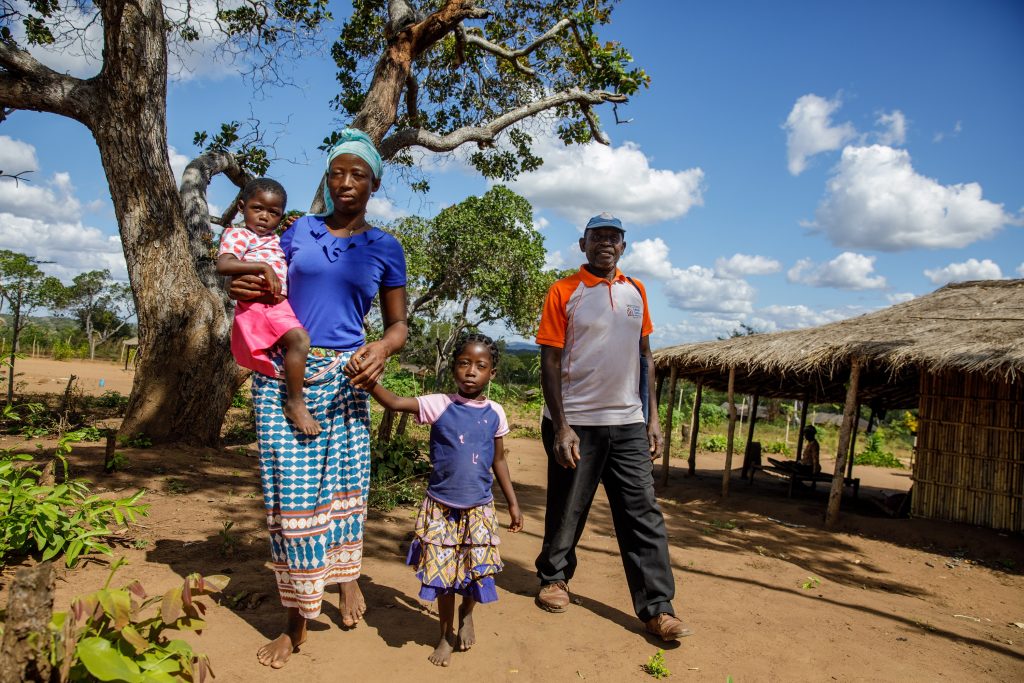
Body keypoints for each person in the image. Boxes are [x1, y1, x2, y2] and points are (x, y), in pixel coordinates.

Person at [229, 129, 408, 669]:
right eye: (337, 173)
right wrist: (240, 287)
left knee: (345, 489)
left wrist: (381, 348)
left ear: (374, 183)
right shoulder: (296, 230)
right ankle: (298, 619)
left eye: (358, 174)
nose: (346, 183)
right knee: (293, 503)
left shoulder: (384, 246)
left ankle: (346, 577)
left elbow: (398, 325)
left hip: (348, 376)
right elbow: (262, 281)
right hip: (287, 375)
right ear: (326, 180)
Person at [533, 212, 692, 642]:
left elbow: (645, 357)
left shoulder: (636, 291)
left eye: (614, 237)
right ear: (582, 245)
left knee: (643, 513)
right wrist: (562, 426)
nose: (606, 243)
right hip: (576, 422)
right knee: (568, 507)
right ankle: (554, 577)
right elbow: (549, 361)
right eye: (597, 237)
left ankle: (658, 608)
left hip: (627, 422)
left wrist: (652, 417)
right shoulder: (564, 291)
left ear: (623, 246)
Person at [369, 334, 524, 667]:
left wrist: (512, 502)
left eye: (480, 366)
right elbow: (395, 403)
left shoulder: (496, 413)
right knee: (442, 577)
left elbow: (498, 461)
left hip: (480, 508)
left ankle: (468, 614)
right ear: (454, 367)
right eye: (464, 363)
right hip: (440, 508)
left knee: (474, 573)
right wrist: (370, 382)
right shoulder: (439, 403)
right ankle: (445, 635)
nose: (471, 371)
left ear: (492, 373)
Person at [217, 178, 320, 436]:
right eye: (257, 209)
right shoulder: (238, 234)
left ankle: (292, 393)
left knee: (293, 348)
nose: (264, 217)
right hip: (261, 307)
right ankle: (295, 402)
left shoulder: (274, 239)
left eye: (273, 213)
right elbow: (225, 264)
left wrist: (293, 228)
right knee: (299, 340)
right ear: (242, 206)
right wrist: (262, 268)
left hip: (277, 307)